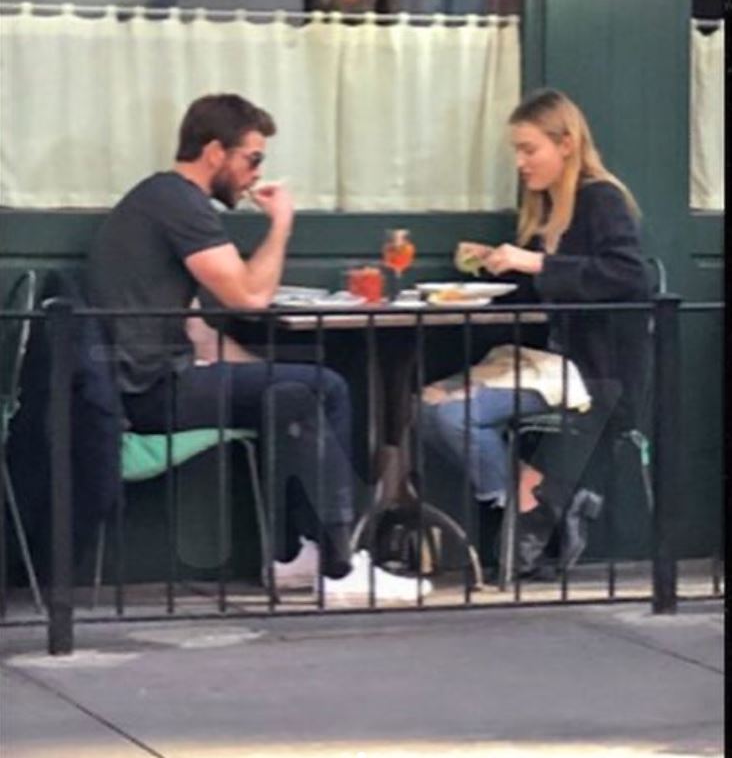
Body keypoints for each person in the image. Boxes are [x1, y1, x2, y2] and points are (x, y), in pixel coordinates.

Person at [87, 92, 430, 603]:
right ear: (214, 152)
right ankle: (339, 567)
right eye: (252, 159)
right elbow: (249, 297)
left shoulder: (160, 201)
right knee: (326, 387)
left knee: (290, 392)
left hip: (143, 383)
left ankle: (295, 556)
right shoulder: (179, 203)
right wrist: (282, 224)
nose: (255, 174)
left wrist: (261, 368)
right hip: (146, 394)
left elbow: (197, 327)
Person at [421, 88, 651, 576]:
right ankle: (533, 501)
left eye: (529, 149)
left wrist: (535, 262)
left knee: (454, 415)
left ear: (566, 144)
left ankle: (528, 513)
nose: (520, 163)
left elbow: (628, 275)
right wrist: (494, 265)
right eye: (516, 151)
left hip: (592, 375)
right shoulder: (544, 210)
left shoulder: (601, 199)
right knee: (427, 406)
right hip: (540, 364)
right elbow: (537, 295)